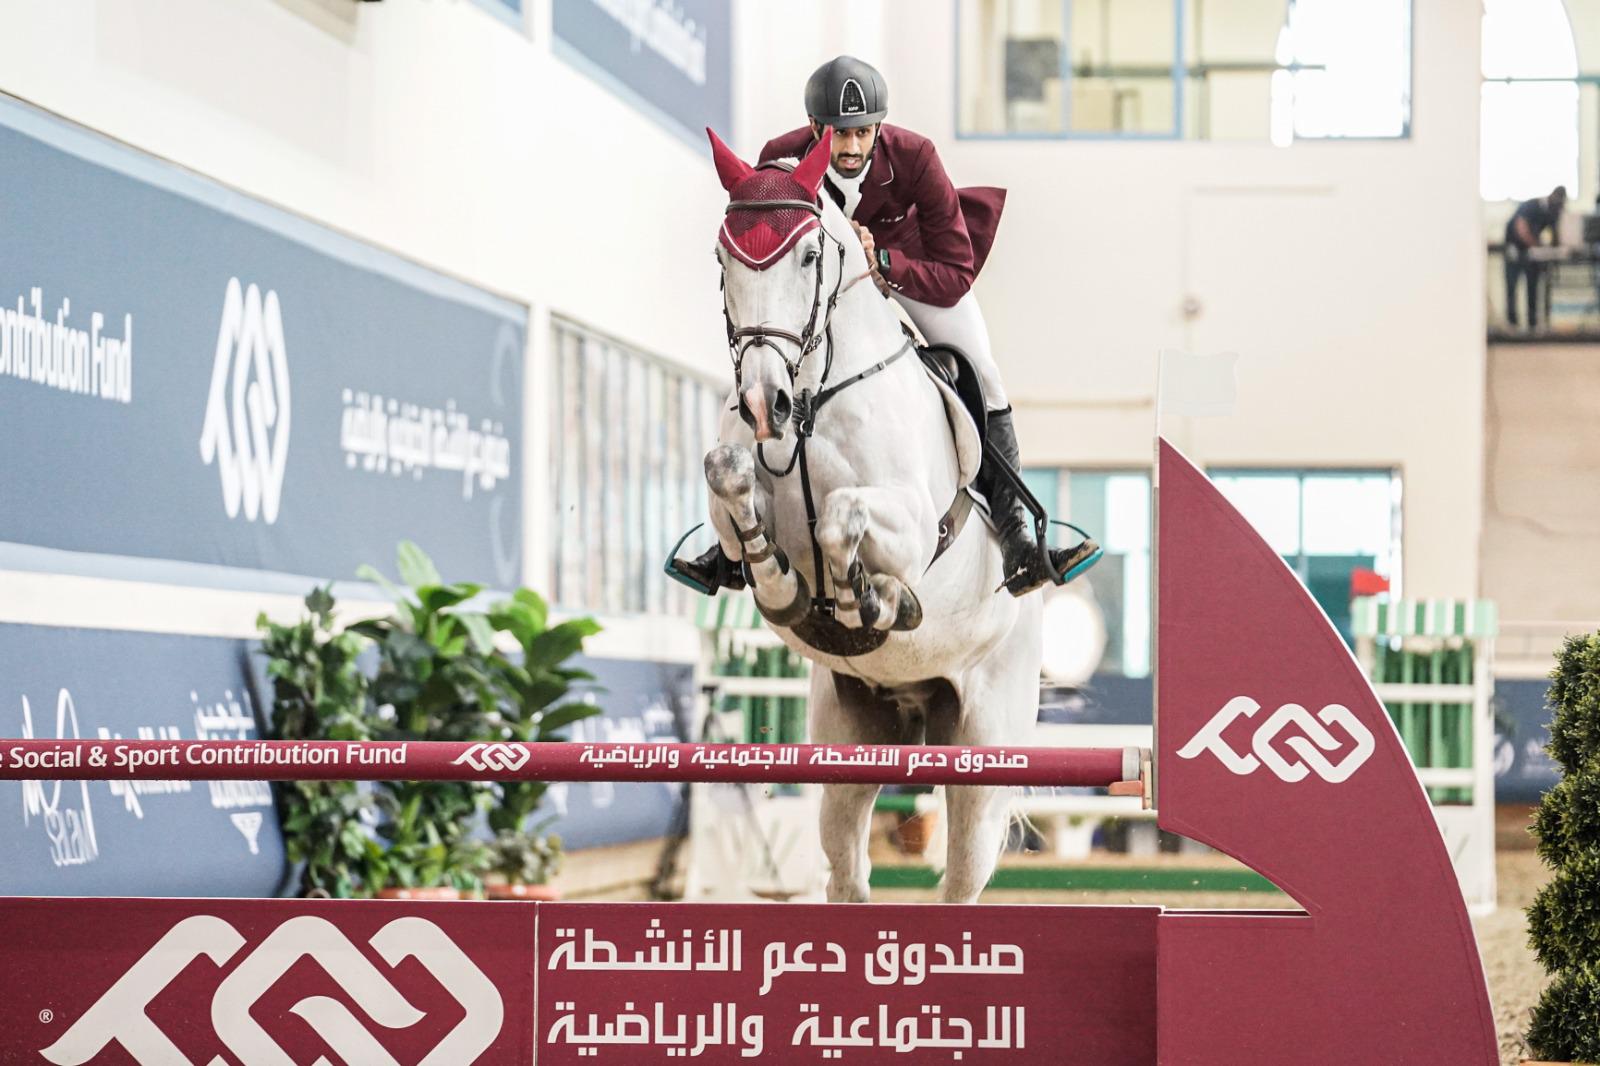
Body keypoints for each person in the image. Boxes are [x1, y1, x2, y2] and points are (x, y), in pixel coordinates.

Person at [675, 56, 1099, 600]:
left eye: (863, 132)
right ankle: (731, 545)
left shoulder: (915, 157)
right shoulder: (780, 157)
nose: (851, 147)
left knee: (984, 370)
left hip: (909, 270)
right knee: (765, 362)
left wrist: (885, 264)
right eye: (839, 134)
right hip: (823, 281)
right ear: (814, 128)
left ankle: (1018, 537)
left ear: (880, 127)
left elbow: (955, 271)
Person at [1504, 185, 1566, 330]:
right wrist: (1537, 245)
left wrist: (1554, 250)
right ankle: (1512, 324)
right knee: (1512, 288)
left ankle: (1532, 324)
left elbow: (1555, 234)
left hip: (1532, 254)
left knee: (1533, 287)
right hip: (1514, 250)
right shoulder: (1531, 206)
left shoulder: (1553, 211)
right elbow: (1521, 227)